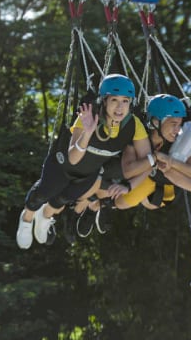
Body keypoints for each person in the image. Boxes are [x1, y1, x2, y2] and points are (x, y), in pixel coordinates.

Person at [16, 74, 153, 249]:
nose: (120, 107)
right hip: (63, 165)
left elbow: (148, 162)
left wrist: (130, 186)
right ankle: (26, 219)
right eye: (114, 100)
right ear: (104, 101)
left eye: (125, 101)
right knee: (43, 192)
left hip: (88, 174)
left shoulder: (133, 125)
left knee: (63, 199)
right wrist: (87, 133)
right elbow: (73, 158)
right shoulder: (88, 115)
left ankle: (44, 217)